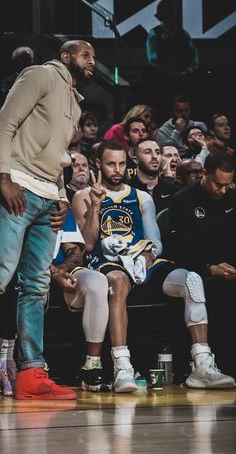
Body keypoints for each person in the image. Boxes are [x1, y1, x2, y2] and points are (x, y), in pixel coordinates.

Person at [72, 141, 234, 392]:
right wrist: (95, 207)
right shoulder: (83, 195)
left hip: (142, 259)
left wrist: (147, 254)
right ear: (98, 164)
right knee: (116, 282)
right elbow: (89, 245)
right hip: (109, 261)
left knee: (192, 280)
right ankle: (122, 367)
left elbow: (156, 241)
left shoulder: (141, 197)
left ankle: (201, 364)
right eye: (111, 164)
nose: (117, 169)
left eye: (122, 163)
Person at [0, 39, 96, 400]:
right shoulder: (39, 75)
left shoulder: (73, 98)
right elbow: (5, 123)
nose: (92, 62)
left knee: (37, 289)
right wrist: (3, 178)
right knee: (1, 274)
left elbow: (58, 158)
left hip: (46, 196)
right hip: (18, 187)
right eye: (86, 55)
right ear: (66, 57)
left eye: (93, 57)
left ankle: (31, 374)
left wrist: (60, 197)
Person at [168, 151, 236, 378]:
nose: (223, 190)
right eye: (219, 184)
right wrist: (210, 267)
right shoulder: (182, 200)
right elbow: (179, 250)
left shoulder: (232, 198)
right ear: (205, 175)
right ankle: (215, 365)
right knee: (217, 288)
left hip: (231, 269)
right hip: (199, 268)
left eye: (228, 185)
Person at [50, 208, 111, 392]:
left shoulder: (60, 208)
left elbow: (75, 254)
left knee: (97, 281)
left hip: (62, 270)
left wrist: (60, 271)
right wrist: (52, 273)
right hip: (32, 270)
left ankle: (92, 366)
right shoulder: (13, 204)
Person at [146, 0, 199, 110]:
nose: (172, 13)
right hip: (162, 83)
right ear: (162, 12)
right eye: (169, 9)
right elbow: (153, 60)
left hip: (183, 83)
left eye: (174, 9)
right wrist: (171, 74)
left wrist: (188, 71)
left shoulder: (184, 34)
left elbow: (194, 59)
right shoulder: (154, 33)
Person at [128, 139, 180, 213]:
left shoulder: (173, 191)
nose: (154, 156)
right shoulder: (126, 192)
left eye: (158, 152)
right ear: (136, 160)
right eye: (147, 152)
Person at [122, 116, 149, 181]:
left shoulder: (153, 160)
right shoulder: (122, 161)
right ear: (126, 136)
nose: (141, 134)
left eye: (144, 131)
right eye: (135, 131)